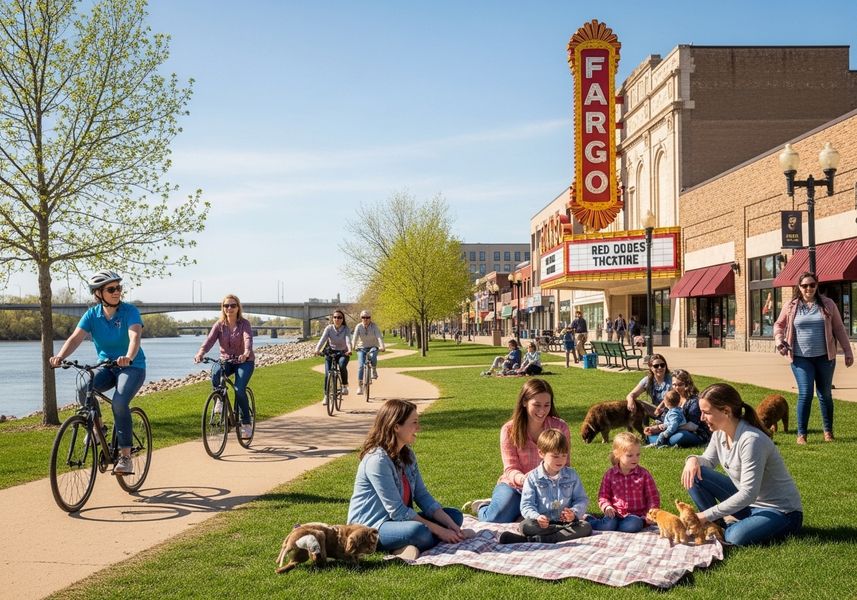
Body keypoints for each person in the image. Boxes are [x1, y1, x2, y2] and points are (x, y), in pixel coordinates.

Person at [681, 383, 803, 546]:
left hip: (781, 511)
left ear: (726, 411)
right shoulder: (720, 433)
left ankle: (725, 524)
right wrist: (692, 459)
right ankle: (717, 525)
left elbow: (748, 493)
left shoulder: (751, 440)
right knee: (695, 473)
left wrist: (704, 515)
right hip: (748, 505)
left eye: (706, 413)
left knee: (734, 537)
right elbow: (708, 461)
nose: (701, 418)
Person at [49, 270, 146, 475]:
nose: (117, 292)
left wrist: (128, 355)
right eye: (111, 289)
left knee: (119, 402)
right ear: (98, 294)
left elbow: (134, 337)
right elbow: (76, 338)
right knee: (84, 387)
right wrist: (59, 356)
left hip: (132, 366)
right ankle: (99, 427)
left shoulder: (130, 311)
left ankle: (126, 456)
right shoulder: (92, 315)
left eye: (119, 287)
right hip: (107, 366)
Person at [347, 399, 465, 560]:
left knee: (455, 516)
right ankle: (402, 545)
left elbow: (422, 495)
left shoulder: (407, 454)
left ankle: (405, 545)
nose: (418, 428)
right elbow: (397, 511)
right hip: (371, 527)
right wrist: (440, 530)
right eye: (414, 422)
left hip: (397, 522)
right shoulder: (377, 460)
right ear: (396, 426)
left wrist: (450, 525)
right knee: (419, 531)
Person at [462, 379, 570, 522]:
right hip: (515, 486)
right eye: (536, 405)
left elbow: (565, 464)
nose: (542, 411)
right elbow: (510, 468)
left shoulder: (559, 427)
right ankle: (484, 507)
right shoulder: (509, 430)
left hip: (547, 488)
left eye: (547, 405)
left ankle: (518, 512)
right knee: (495, 518)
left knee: (552, 519)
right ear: (524, 402)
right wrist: (526, 480)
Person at [774, 271, 853, 444]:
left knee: (825, 394)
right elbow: (779, 324)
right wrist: (779, 340)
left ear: (817, 286)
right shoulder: (791, 305)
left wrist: (848, 351)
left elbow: (839, 329)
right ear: (799, 287)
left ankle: (828, 432)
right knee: (806, 393)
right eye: (804, 285)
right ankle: (801, 434)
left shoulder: (827, 304)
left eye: (812, 285)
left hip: (825, 357)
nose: (808, 288)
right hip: (801, 358)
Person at [498, 429, 592, 544]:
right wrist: (537, 517)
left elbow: (581, 499)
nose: (561, 460)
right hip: (542, 525)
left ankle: (534, 540)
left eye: (564, 455)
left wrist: (573, 513)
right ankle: (555, 536)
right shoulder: (532, 478)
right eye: (555, 456)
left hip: (566, 523)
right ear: (541, 453)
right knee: (525, 526)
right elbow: (527, 505)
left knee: (586, 527)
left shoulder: (572, 475)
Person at [194, 294, 255, 438]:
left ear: (238, 307)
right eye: (226, 306)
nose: (229, 308)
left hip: (244, 361)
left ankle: (246, 423)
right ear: (223, 308)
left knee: (239, 389)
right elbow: (209, 340)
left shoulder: (244, 323)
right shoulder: (219, 325)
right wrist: (201, 352)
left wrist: (246, 352)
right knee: (215, 373)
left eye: (233, 305)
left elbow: (248, 338)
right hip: (226, 360)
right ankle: (219, 401)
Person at [586, 432, 660, 533]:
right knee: (609, 524)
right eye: (630, 455)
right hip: (615, 514)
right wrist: (607, 507)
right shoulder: (610, 474)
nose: (635, 458)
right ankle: (588, 520)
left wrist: (651, 513)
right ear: (617, 455)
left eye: (638, 454)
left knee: (633, 524)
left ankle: (615, 528)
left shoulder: (644, 474)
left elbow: (653, 497)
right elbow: (603, 496)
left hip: (636, 517)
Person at [643, 369, 710, 447]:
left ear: (687, 384)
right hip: (672, 430)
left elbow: (693, 426)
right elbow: (665, 419)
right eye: (674, 384)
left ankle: (661, 441)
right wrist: (656, 428)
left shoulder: (694, 401)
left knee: (680, 437)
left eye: (680, 384)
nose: (677, 387)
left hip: (693, 432)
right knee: (651, 433)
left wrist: (671, 428)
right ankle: (661, 441)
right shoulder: (672, 398)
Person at [315, 309, 352, 405]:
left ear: (342, 319)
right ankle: (326, 396)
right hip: (330, 353)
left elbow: (348, 340)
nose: (337, 319)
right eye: (335, 317)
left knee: (342, 365)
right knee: (328, 374)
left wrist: (349, 350)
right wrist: (317, 349)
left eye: (339, 317)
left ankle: (344, 386)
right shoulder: (329, 328)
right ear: (332, 319)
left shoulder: (346, 329)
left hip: (343, 352)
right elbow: (323, 339)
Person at [626, 353, 672, 418]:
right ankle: (639, 425)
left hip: (671, 411)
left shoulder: (671, 380)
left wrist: (660, 407)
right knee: (638, 403)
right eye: (656, 366)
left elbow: (671, 399)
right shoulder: (647, 380)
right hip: (656, 411)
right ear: (651, 368)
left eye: (662, 365)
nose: (660, 367)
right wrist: (630, 400)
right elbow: (631, 394)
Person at [351, 309, 386, 395]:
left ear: (370, 318)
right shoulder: (358, 326)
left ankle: (373, 370)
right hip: (361, 348)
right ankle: (360, 386)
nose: (365, 319)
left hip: (372, 346)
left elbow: (379, 337)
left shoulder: (374, 326)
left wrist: (382, 346)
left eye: (367, 317)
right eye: (363, 317)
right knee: (361, 366)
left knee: (373, 355)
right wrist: (352, 346)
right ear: (361, 318)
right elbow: (354, 337)